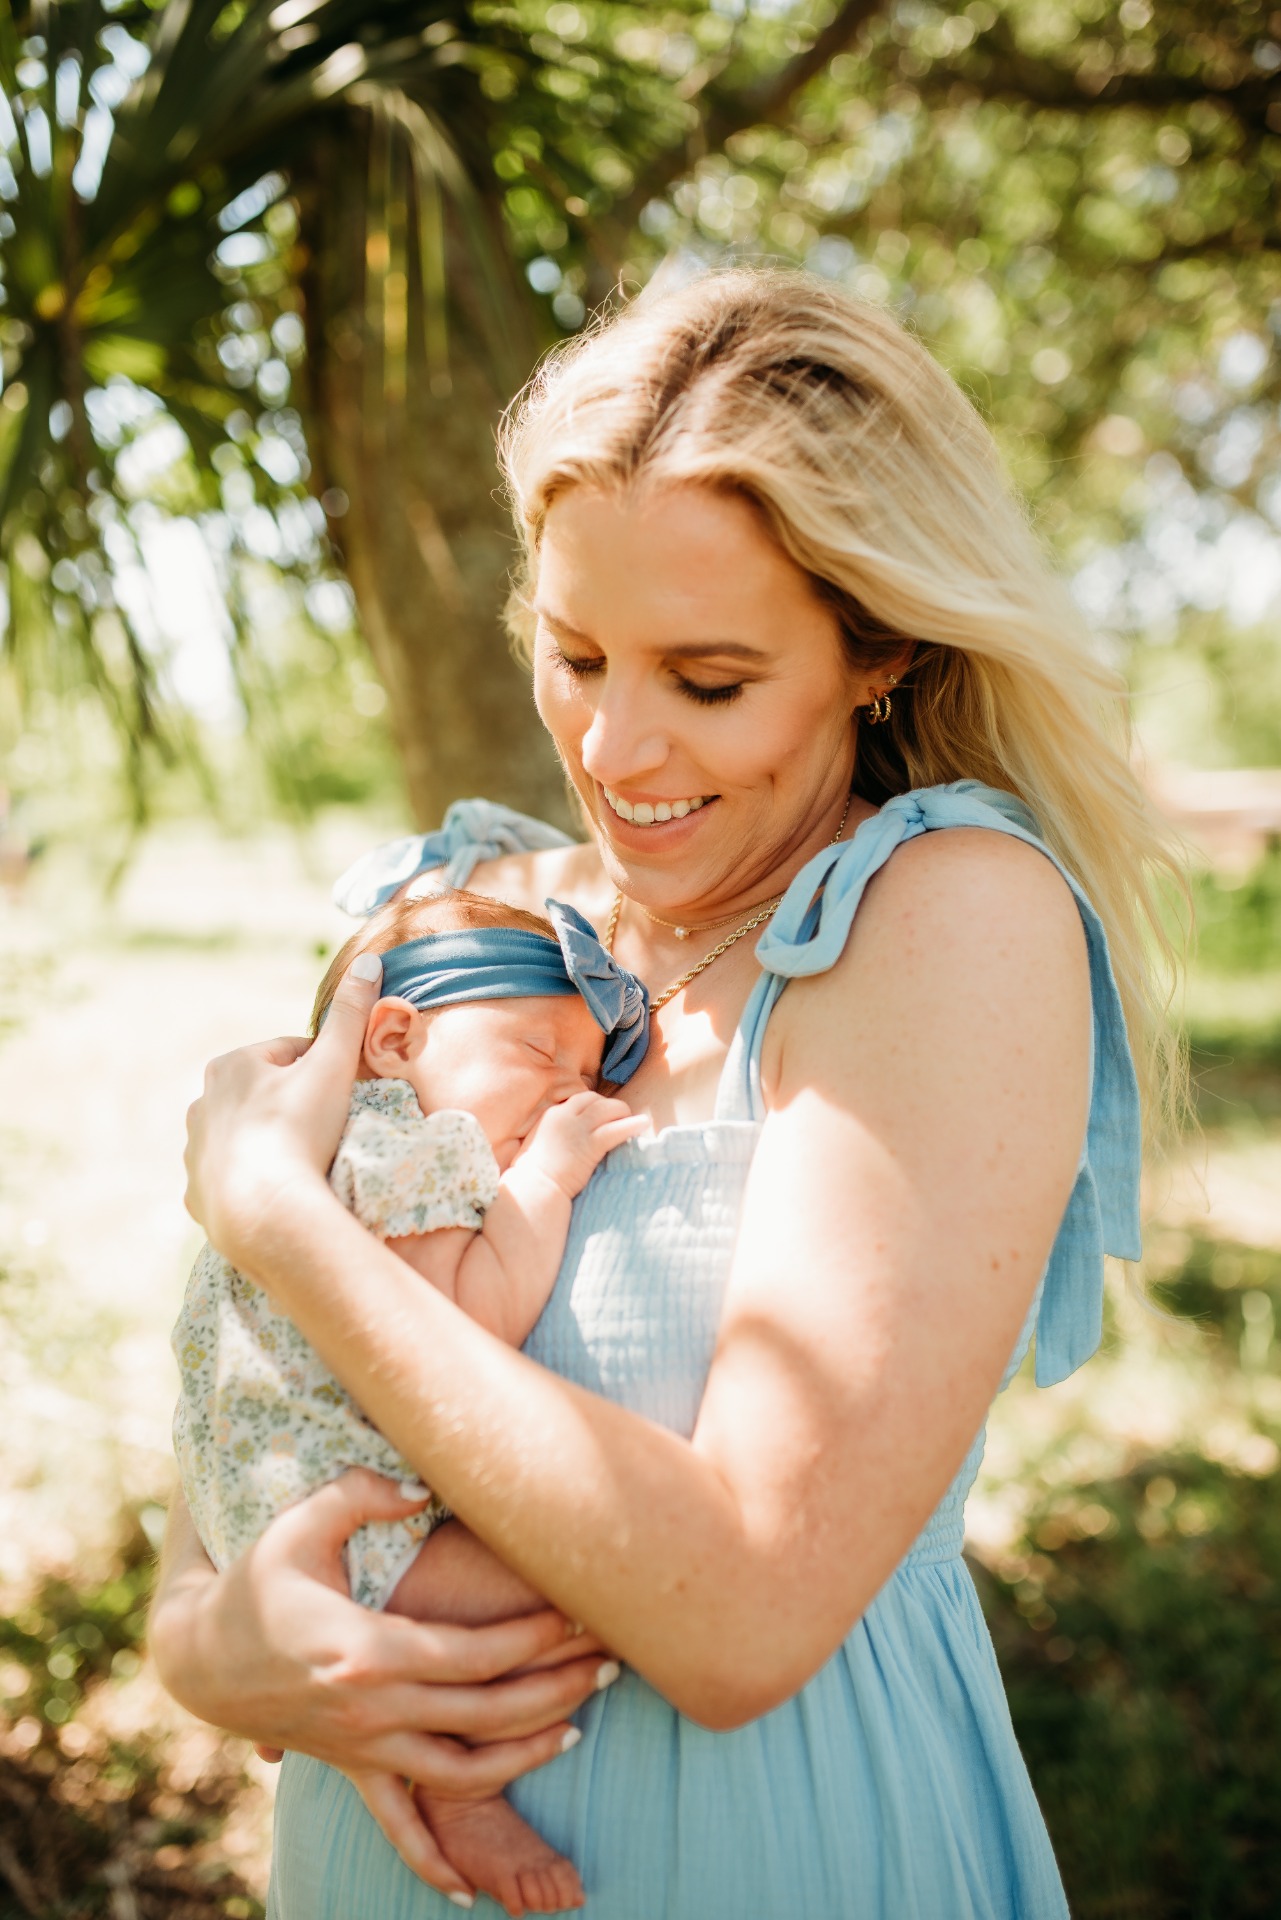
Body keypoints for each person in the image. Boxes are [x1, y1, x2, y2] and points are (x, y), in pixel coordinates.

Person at [151, 268, 1181, 1919]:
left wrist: (278, 1215)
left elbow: (741, 1612)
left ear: (877, 647)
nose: (617, 750)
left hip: (772, 1850)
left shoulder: (947, 921)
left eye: (707, 683)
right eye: (575, 657)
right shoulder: (454, 921)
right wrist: (207, 1646)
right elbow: (248, 1405)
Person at [170, 887, 648, 1915]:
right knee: (614, 1582)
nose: (565, 1095)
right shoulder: (405, 1148)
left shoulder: (319, 1148)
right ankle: (460, 1789)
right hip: (356, 1535)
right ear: (392, 1038)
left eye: (584, 1074)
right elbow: (458, 1335)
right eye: (538, 1052)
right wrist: (548, 1181)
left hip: (271, 1522)